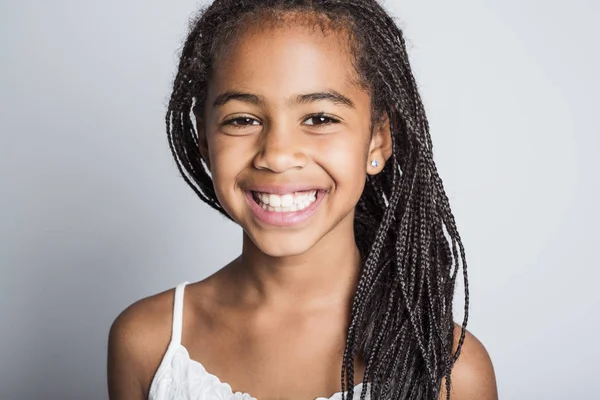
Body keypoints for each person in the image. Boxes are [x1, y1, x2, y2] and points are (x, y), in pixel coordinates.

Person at [107, 0, 498, 399]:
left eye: (320, 119)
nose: (277, 155)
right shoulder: (148, 343)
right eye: (242, 119)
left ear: (377, 138)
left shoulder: (449, 370)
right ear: (205, 140)